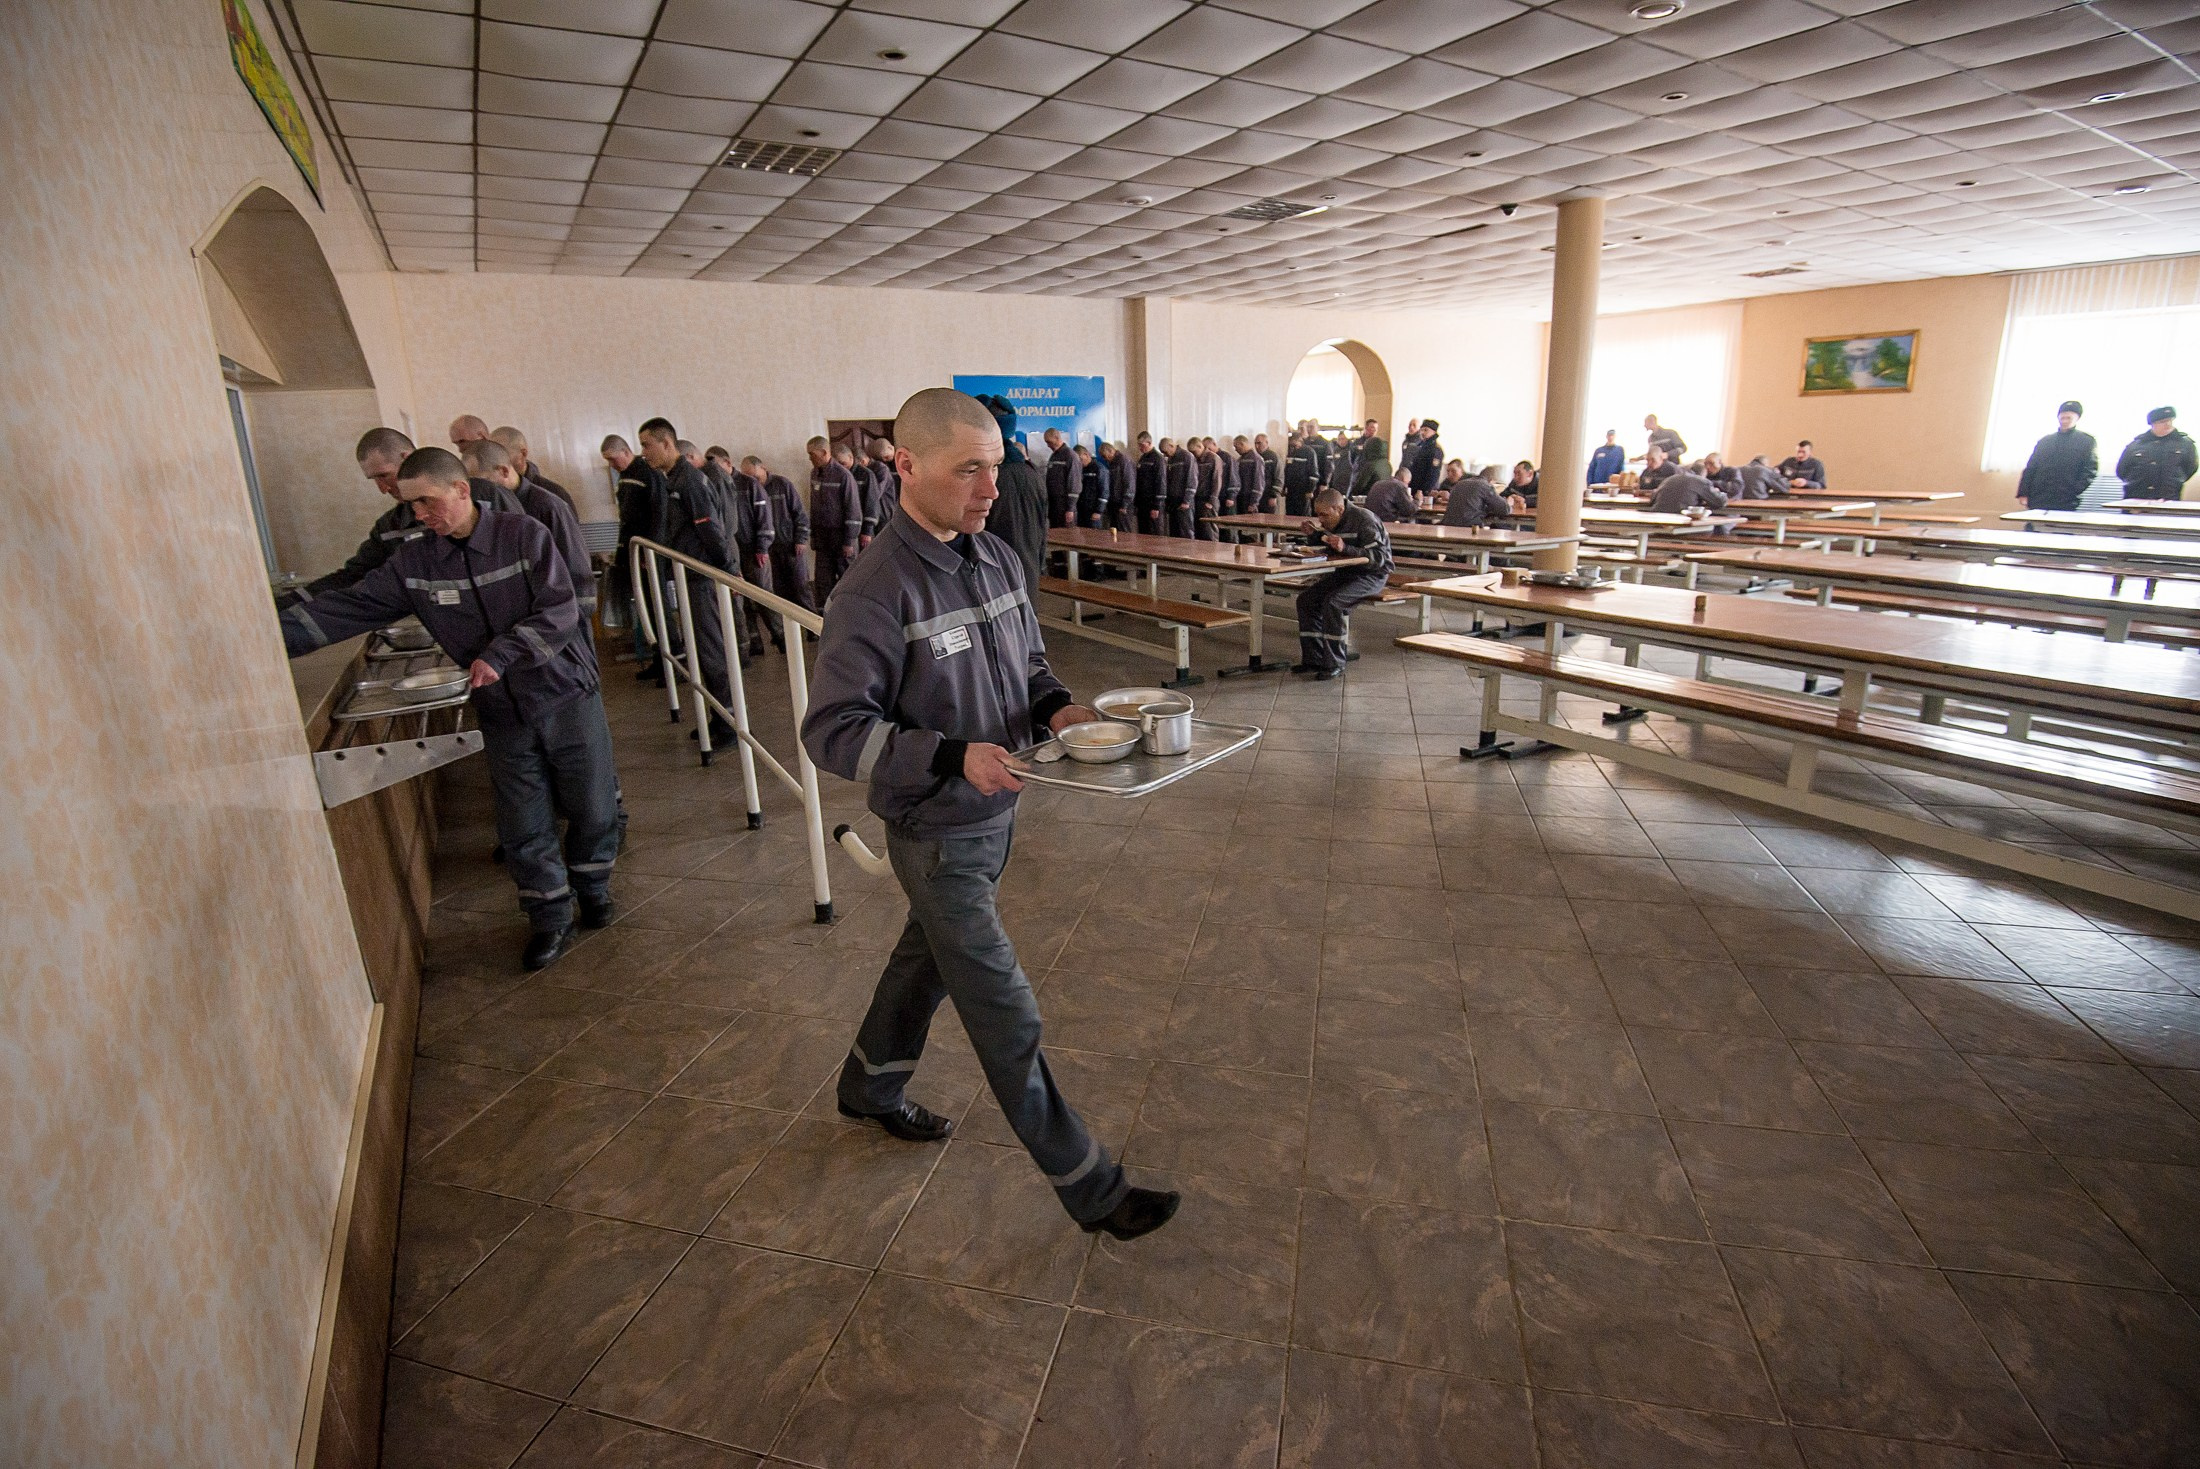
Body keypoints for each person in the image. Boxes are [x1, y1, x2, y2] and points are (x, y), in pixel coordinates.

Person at [801, 387, 1178, 1243]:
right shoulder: (872, 591)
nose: (988, 488)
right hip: (936, 833)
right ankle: (1093, 1186)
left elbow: (1030, 668)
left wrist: (1060, 711)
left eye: (996, 468)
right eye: (966, 469)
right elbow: (833, 731)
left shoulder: (997, 558)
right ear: (904, 467)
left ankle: (869, 1085)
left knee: (922, 965)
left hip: (997, 814)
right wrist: (947, 753)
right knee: (1003, 1007)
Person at [279, 448, 617, 970]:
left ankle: (593, 886)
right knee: (523, 819)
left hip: (564, 692)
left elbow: (560, 609)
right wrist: (265, 635)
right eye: (412, 506)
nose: (419, 515)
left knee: (592, 803)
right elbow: (350, 605)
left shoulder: (524, 537)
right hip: (501, 709)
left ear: (461, 490)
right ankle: (550, 918)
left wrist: (500, 654)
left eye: (427, 502)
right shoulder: (416, 562)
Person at [280, 427, 496, 607]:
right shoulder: (389, 528)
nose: (382, 488)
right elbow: (354, 577)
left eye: (383, 475)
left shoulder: (489, 497)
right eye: (373, 479)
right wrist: (290, 603)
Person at [643, 418, 738, 742]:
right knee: (701, 650)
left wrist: (724, 569)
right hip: (688, 577)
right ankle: (717, 713)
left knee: (711, 650)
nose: (644, 453)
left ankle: (728, 720)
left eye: (646, 445)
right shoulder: (674, 479)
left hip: (700, 577)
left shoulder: (690, 481)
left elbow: (710, 529)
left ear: (667, 443)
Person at [460, 438, 596, 619]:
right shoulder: (489, 510)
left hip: (559, 618)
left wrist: (571, 619)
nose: (477, 491)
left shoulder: (548, 505)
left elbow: (576, 567)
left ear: (504, 471)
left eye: (482, 482)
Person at [1293, 488, 1393, 680]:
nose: (1321, 519)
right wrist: (1313, 534)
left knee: (1334, 603)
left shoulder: (1365, 520)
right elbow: (1328, 543)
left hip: (1372, 575)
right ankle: (1313, 659)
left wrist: (1345, 548)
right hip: (1345, 572)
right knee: (1306, 600)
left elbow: (1380, 558)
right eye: (1318, 515)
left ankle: (1334, 662)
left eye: (1324, 515)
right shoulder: (1333, 520)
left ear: (1339, 509)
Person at [603, 433, 666, 677]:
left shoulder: (647, 474)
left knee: (657, 608)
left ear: (625, 452)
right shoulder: (627, 477)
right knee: (645, 609)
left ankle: (668, 664)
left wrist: (650, 552)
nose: (612, 465)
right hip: (634, 553)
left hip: (647, 555)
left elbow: (657, 516)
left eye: (613, 459)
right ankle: (658, 659)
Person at [707, 446, 775, 656]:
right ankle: (751, 644)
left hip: (755, 550)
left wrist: (762, 547)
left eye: (717, 466)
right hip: (733, 552)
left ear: (728, 463)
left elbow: (764, 517)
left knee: (764, 597)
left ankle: (781, 637)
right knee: (740, 602)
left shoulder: (748, 484)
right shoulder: (715, 484)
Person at [807, 436, 863, 604]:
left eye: (812, 454)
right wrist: (813, 536)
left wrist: (849, 541)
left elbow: (853, 510)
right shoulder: (815, 473)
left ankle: (854, 615)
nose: (810, 458)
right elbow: (814, 507)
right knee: (823, 582)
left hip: (841, 538)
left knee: (849, 581)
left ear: (824, 452)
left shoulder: (843, 476)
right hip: (823, 539)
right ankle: (823, 619)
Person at [2017, 401, 2098, 513]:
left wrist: (2074, 490)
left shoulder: (2087, 441)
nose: (2064, 419)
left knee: (2062, 529)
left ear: (2077, 418)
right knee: (2033, 528)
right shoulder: (2045, 441)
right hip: (2039, 496)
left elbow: (2090, 470)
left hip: (2066, 498)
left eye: (2069, 417)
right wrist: (2023, 493)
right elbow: (2031, 467)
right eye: (2062, 416)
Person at [2115, 406, 2196, 501]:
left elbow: (2190, 468)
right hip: (2136, 497)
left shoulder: (2185, 444)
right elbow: (2122, 470)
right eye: (2162, 422)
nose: (2168, 424)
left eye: (2170, 420)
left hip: (2168, 497)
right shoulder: (2137, 444)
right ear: (2152, 424)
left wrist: (2174, 480)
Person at [489, 425, 574, 512]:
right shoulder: (490, 493)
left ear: (523, 454)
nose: (494, 461)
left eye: (502, 454)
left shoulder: (554, 493)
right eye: (490, 455)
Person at [1441, 469, 1516, 528]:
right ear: (1492, 480)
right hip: (1469, 527)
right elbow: (1504, 509)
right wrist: (1509, 503)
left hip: (1447, 525)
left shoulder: (1459, 483)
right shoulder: (1484, 485)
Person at [1647, 466, 1730, 515]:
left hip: (1657, 517)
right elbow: (1719, 502)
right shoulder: (1700, 481)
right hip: (1681, 518)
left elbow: (1652, 499)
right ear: (1703, 474)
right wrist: (1719, 492)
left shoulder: (1669, 479)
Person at [1161, 436, 1196, 537]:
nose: (1165, 455)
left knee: (1186, 531)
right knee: (1174, 532)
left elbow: (1192, 480)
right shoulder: (1170, 459)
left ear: (1171, 446)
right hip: (1173, 502)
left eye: (1166, 452)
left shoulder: (1187, 456)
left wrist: (1187, 501)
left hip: (1184, 502)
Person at [1099, 440, 1136, 532]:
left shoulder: (1124, 461)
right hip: (1114, 503)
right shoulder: (1112, 463)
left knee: (1124, 532)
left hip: (1123, 504)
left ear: (1111, 451)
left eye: (1105, 456)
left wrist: (1125, 504)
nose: (1105, 459)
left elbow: (1129, 483)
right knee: (1114, 531)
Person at [1132, 431, 1164, 535]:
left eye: (1142, 445)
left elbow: (1161, 482)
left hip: (1152, 503)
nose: (1140, 448)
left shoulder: (1158, 458)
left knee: (1153, 533)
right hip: (1142, 503)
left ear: (1149, 443)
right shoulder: (1142, 459)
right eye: (1139, 445)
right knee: (1143, 533)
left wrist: (1156, 506)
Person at [1042, 427, 1075, 529]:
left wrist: (1070, 508)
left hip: (1064, 505)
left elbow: (1074, 483)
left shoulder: (1070, 456)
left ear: (1057, 438)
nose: (1048, 445)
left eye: (1049, 442)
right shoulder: (1054, 456)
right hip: (1054, 503)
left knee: (1066, 535)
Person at [1074, 441, 1111, 528]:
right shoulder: (1080, 470)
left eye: (1080, 459)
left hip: (1094, 512)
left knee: (1095, 538)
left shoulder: (1100, 469)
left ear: (1086, 454)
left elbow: (1104, 491)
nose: (1078, 462)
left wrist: (1099, 511)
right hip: (1082, 510)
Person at [1403, 420, 1444, 498]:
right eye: (1421, 430)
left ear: (1434, 432)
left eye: (1426, 430)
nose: (1422, 432)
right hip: (1415, 486)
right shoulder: (1420, 446)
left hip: (1424, 490)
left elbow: (1433, 473)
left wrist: (1425, 491)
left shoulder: (1435, 450)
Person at [1284, 431, 1318, 517]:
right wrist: (1284, 486)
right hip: (1291, 491)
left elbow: (1313, 473)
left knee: (1303, 515)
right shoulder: (1290, 451)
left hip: (1303, 491)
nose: (1293, 447)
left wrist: (1310, 490)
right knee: (1290, 515)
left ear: (1300, 441)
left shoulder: (1309, 452)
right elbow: (1287, 470)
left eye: (1295, 444)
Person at [1234, 434, 1268, 513]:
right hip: (1241, 497)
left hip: (1249, 498)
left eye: (1236, 447)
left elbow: (1259, 481)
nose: (1235, 450)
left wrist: (1254, 502)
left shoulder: (1256, 459)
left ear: (1242, 444)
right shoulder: (1240, 459)